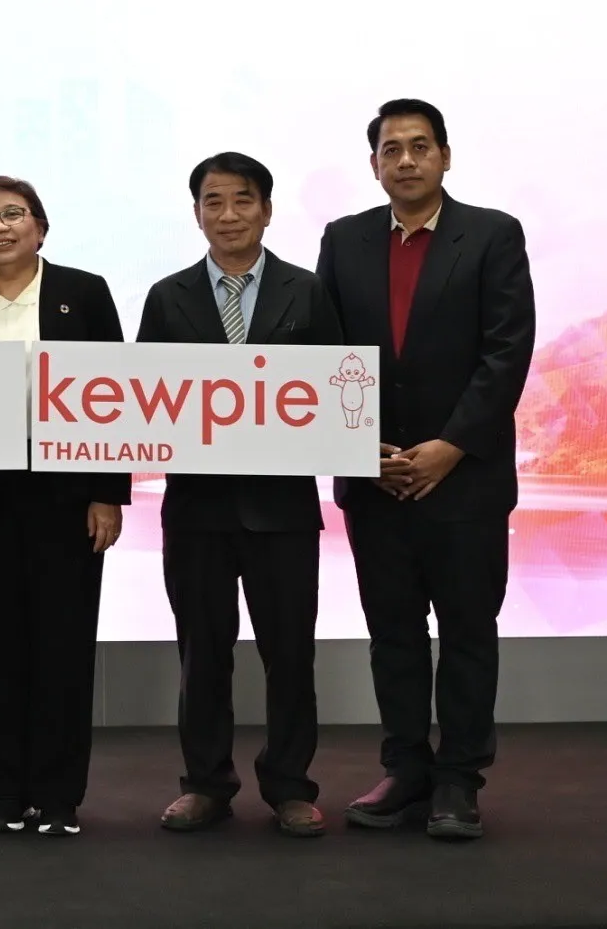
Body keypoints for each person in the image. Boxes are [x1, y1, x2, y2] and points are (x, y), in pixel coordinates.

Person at [317, 100, 535, 840]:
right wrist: (360, 449)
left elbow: (506, 351)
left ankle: (459, 779)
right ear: (373, 163)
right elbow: (325, 355)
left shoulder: (493, 234)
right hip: (374, 479)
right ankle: (405, 769)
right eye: (391, 149)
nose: (405, 160)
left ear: (445, 156)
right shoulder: (343, 240)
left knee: (468, 630)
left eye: (419, 146)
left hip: (465, 479)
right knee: (394, 633)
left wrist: (451, 445)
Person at [136, 152, 343, 838]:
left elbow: (339, 392)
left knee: (291, 655)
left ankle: (290, 786)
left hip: (282, 512)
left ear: (267, 209)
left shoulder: (307, 291)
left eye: (242, 200)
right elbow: (143, 402)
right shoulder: (167, 297)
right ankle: (206, 784)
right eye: (213, 202)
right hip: (196, 511)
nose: (228, 215)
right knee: (202, 655)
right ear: (197, 213)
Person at [0, 176, 126, 838]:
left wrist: (107, 492)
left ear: (40, 227)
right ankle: (4, 790)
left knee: (64, 643)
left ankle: (59, 792)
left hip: (69, 498)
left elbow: (116, 396)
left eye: (13, 214)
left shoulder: (84, 294)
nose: (0, 227)